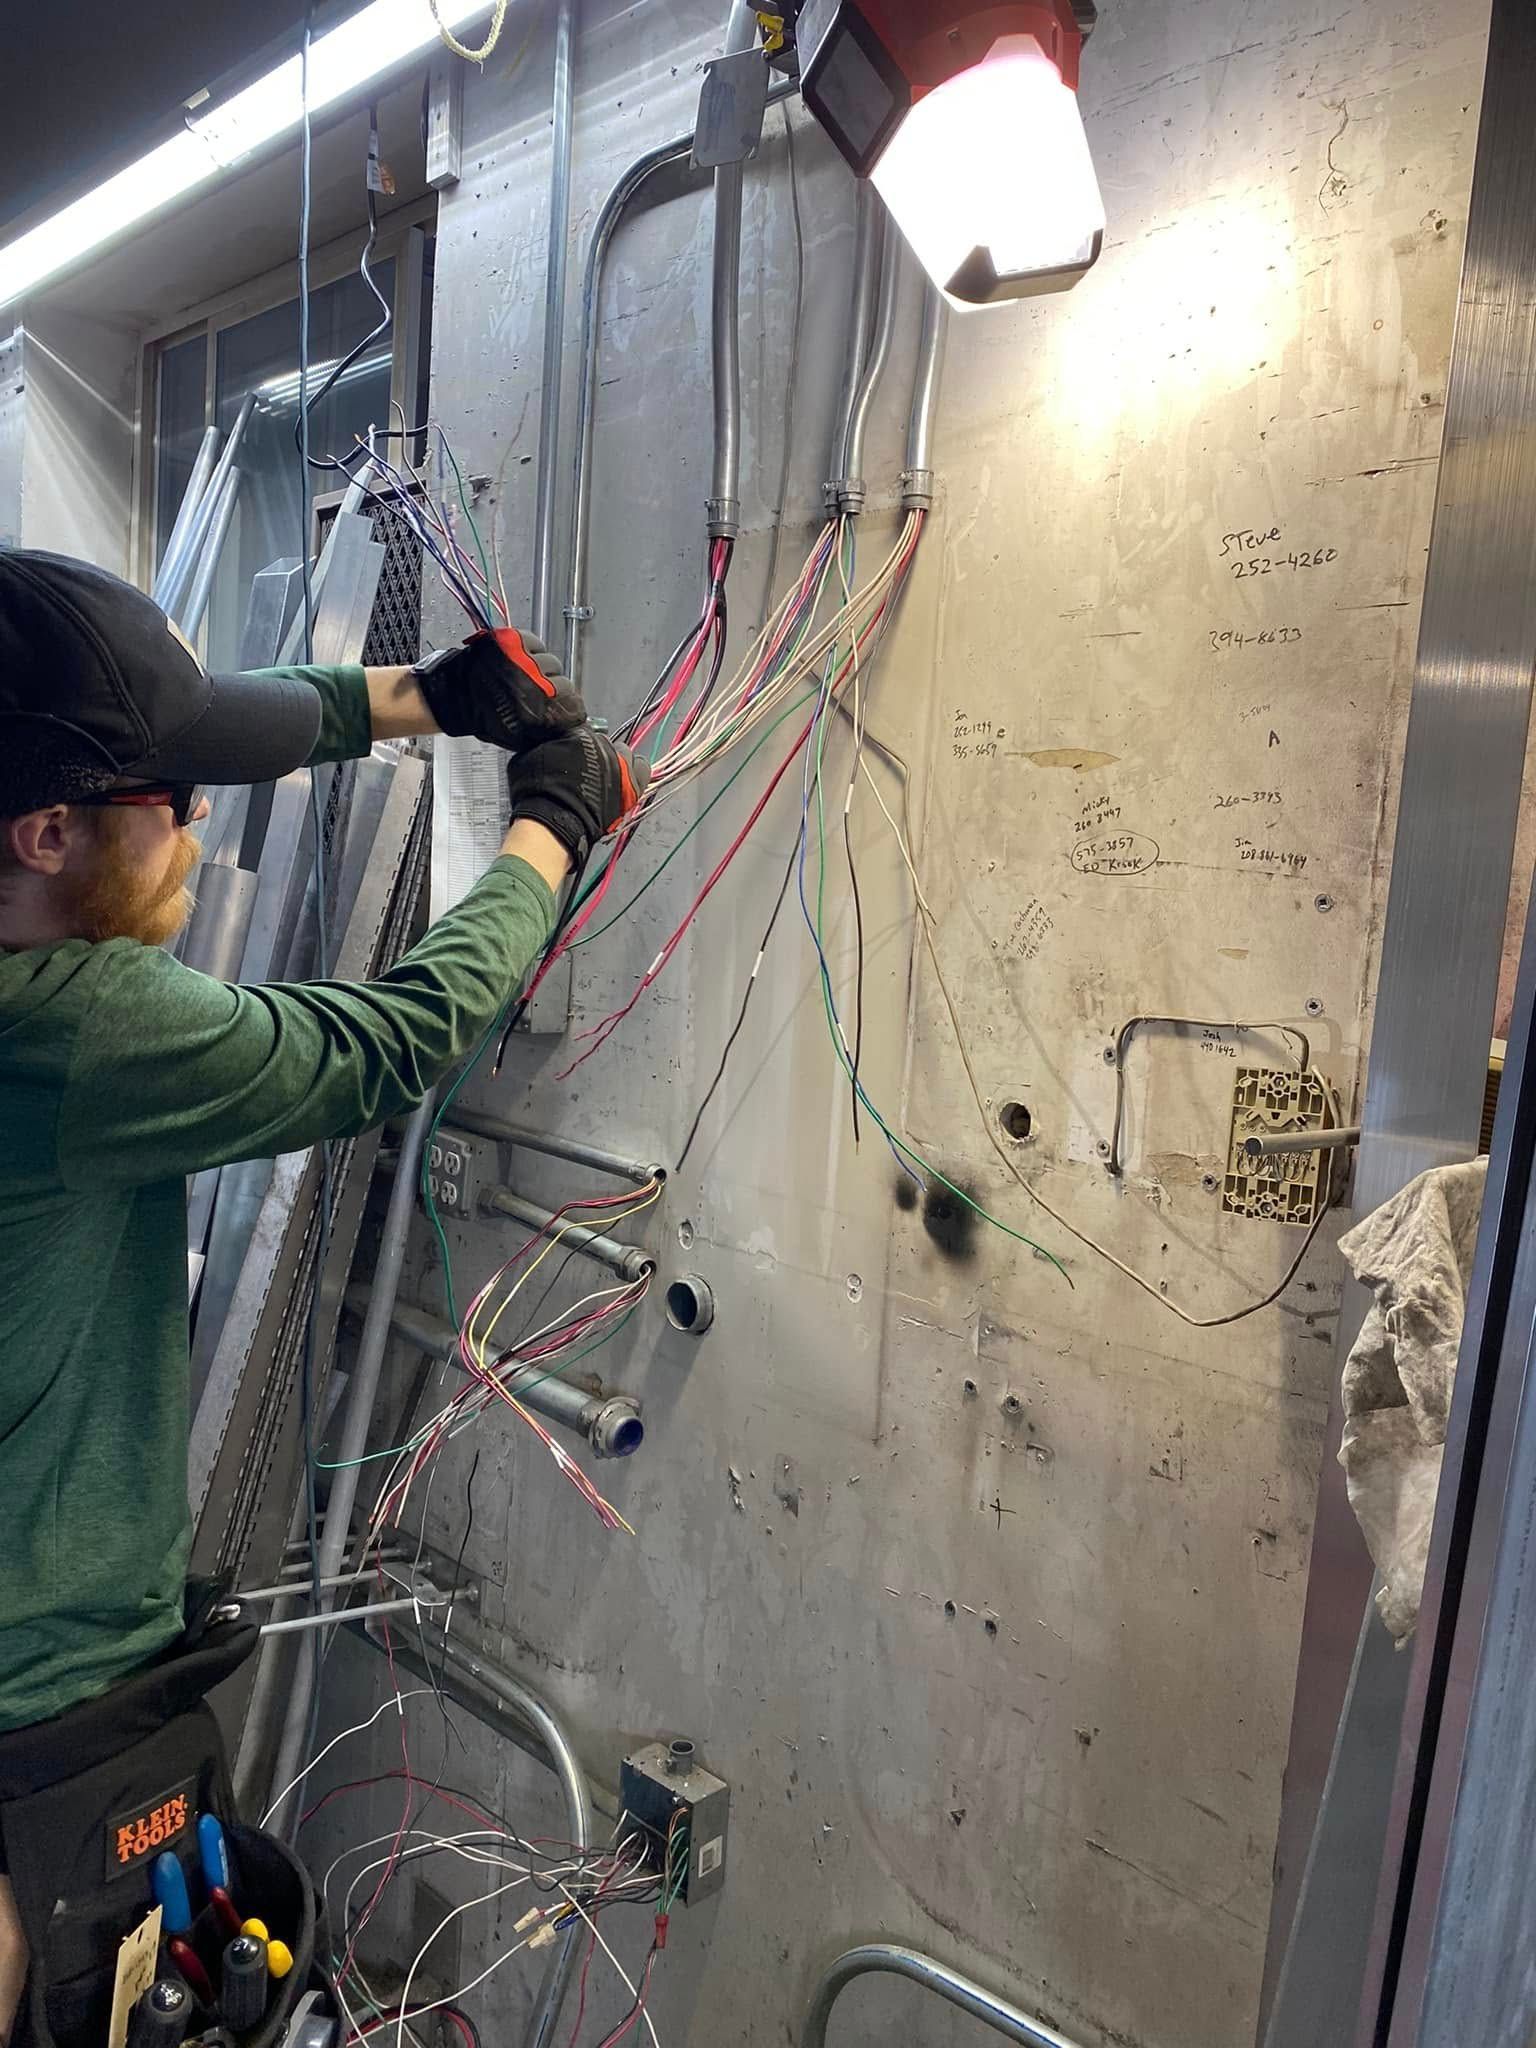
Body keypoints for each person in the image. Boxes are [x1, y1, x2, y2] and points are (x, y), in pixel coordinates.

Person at [0, 549, 648, 2038]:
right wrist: (552, 830)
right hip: (39, 1723)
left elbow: (211, 724)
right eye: (165, 799)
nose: (198, 816)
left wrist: (425, 699)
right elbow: (389, 1042)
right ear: (44, 832)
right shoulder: (75, 1027)